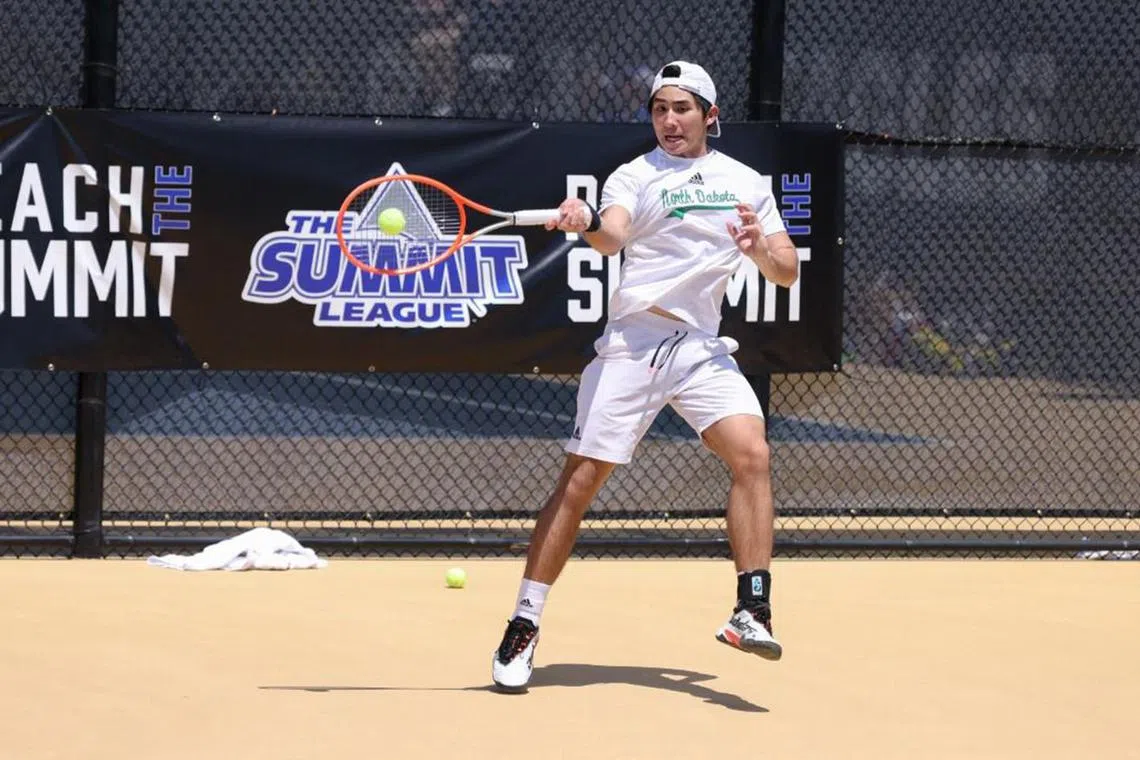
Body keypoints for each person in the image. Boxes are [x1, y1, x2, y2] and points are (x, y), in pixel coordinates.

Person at [491, 60, 800, 693]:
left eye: (681, 108)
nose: (668, 120)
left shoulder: (746, 182)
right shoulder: (635, 175)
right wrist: (587, 224)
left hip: (700, 348)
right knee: (579, 483)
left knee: (753, 454)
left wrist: (757, 250)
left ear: (710, 116)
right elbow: (613, 237)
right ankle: (525, 621)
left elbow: (787, 270)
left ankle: (752, 608)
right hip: (634, 343)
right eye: (659, 109)